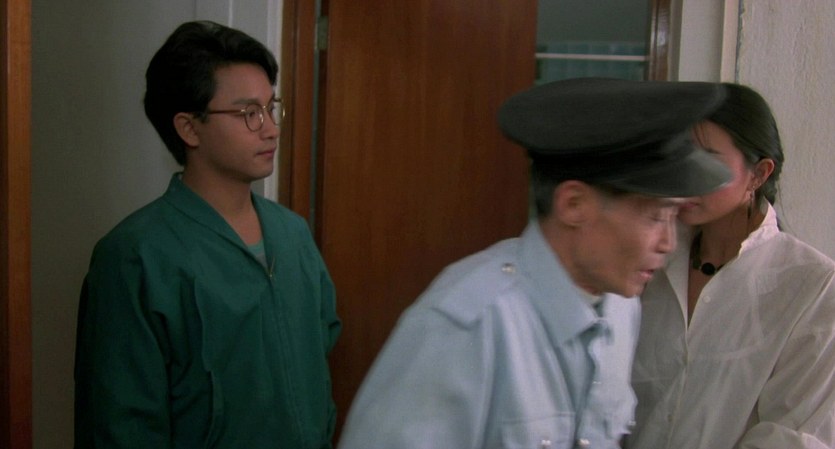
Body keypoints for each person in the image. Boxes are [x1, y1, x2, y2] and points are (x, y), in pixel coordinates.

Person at [336, 78, 733, 449]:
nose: (668, 243)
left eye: (674, 217)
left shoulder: (620, 306)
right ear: (573, 205)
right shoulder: (468, 324)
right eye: (655, 216)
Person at [74, 21, 341, 448]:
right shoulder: (135, 256)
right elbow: (121, 422)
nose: (271, 128)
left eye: (271, 107)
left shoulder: (292, 234)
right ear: (189, 128)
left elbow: (317, 360)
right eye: (248, 113)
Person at [626, 83, 835, 449]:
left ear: (758, 174)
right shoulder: (645, 260)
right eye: (678, 155)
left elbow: (796, 435)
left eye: (706, 158)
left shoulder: (812, 286)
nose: (685, 175)